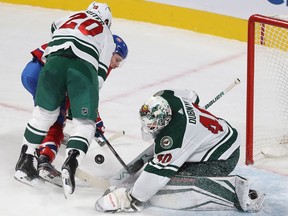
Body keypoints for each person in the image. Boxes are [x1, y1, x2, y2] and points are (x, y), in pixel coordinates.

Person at [95, 89, 265, 212]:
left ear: (165, 122)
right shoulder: (165, 96)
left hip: (223, 157)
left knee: (172, 181)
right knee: (170, 168)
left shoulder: (175, 137)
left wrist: (132, 197)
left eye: (153, 126)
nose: (150, 129)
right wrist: (192, 115)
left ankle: (238, 193)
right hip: (222, 133)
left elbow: (158, 173)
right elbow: (193, 96)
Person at [14, 1, 115, 197]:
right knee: (84, 123)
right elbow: (99, 76)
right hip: (82, 69)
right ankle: (71, 162)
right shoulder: (107, 34)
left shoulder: (70, 16)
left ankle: (24, 164)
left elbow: (54, 27)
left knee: (43, 114)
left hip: (51, 62)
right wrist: (85, 106)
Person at [18, 34, 128, 187]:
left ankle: (41, 146)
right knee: (57, 121)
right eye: (117, 59)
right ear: (110, 51)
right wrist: (94, 119)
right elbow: (84, 93)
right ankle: (43, 161)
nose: (116, 65)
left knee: (48, 116)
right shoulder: (100, 59)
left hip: (32, 71)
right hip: (46, 74)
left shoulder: (92, 44)